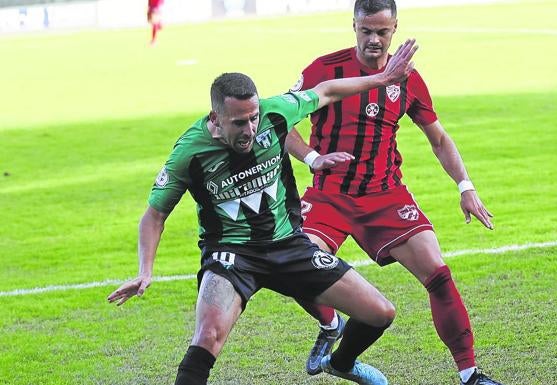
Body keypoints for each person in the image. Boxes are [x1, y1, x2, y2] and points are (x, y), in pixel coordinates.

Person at [107, 38, 418, 385]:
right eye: (238, 123)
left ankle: (341, 363)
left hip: (290, 245)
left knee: (380, 312)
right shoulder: (189, 152)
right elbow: (155, 215)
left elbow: (326, 91)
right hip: (232, 255)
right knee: (208, 337)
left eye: (253, 119)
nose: (250, 130)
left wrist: (382, 79)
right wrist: (144, 270)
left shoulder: (274, 112)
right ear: (215, 118)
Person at [285, 1, 504, 384]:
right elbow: (279, 122)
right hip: (328, 196)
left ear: (395, 29)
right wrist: (312, 157)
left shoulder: (409, 80)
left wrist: (465, 186)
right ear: (353, 25)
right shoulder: (324, 70)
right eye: (365, 30)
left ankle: (469, 374)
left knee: (437, 272)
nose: (373, 39)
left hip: (386, 196)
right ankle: (331, 322)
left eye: (382, 32)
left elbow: (438, 139)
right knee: (294, 263)